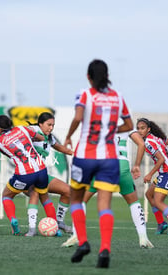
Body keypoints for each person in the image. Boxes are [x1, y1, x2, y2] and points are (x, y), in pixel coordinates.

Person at [64, 59, 133, 268]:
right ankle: (105, 249)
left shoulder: (85, 94)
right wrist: (111, 131)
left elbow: (77, 117)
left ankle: (83, 242)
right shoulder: (118, 97)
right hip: (109, 159)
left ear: (88, 76)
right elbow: (129, 124)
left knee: (76, 199)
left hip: (85, 156)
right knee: (105, 204)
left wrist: (68, 136)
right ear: (107, 75)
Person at [62, 127, 154, 249]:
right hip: (122, 166)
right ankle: (143, 237)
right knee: (133, 202)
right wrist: (137, 165)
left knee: (81, 200)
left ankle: (76, 234)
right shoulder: (125, 123)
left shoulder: (99, 123)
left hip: (103, 165)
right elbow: (141, 143)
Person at [0, 114, 59, 236]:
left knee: (7, 195)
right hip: (41, 169)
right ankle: (56, 229)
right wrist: (28, 139)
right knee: (44, 197)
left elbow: (13, 154)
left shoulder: (0, 143)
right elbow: (40, 138)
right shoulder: (22, 129)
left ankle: (13, 220)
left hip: (24, 174)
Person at [24, 112, 74, 236]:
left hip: (41, 175)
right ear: (40, 124)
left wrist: (75, 153)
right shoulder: (33, 130)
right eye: (49, 125)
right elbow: (21, 134)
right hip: (27, 175)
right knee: (36, 193)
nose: (51, 128)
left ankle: (59, 222)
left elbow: (60, 147)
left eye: (53, 125)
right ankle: (32, 229)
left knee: (68, 191)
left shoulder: (49, 137)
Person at [136, 118, 168, 235]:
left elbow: (161, 159)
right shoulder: (156, 138)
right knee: (149, 194)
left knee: (158, 201)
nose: (139, 131)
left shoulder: (148, 142)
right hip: (165, 172)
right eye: (138, 128)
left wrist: (149, 174)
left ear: (148, 129)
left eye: (142, 128)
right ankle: (161, 223)